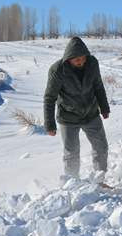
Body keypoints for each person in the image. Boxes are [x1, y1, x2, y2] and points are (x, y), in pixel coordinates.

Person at [44, 37, 110, 180]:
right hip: (68, 117)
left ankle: (100, 179)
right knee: (71, 153)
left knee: (101, 147)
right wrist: (49, 124)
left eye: (82, 58)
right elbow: (50, 98)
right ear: (68, 59)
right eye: (76, 59)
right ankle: (72, 182)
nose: (80, 61)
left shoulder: (92, 63)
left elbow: (98, 86)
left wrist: (104, 107)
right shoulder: (57, 70)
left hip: (91, 113)